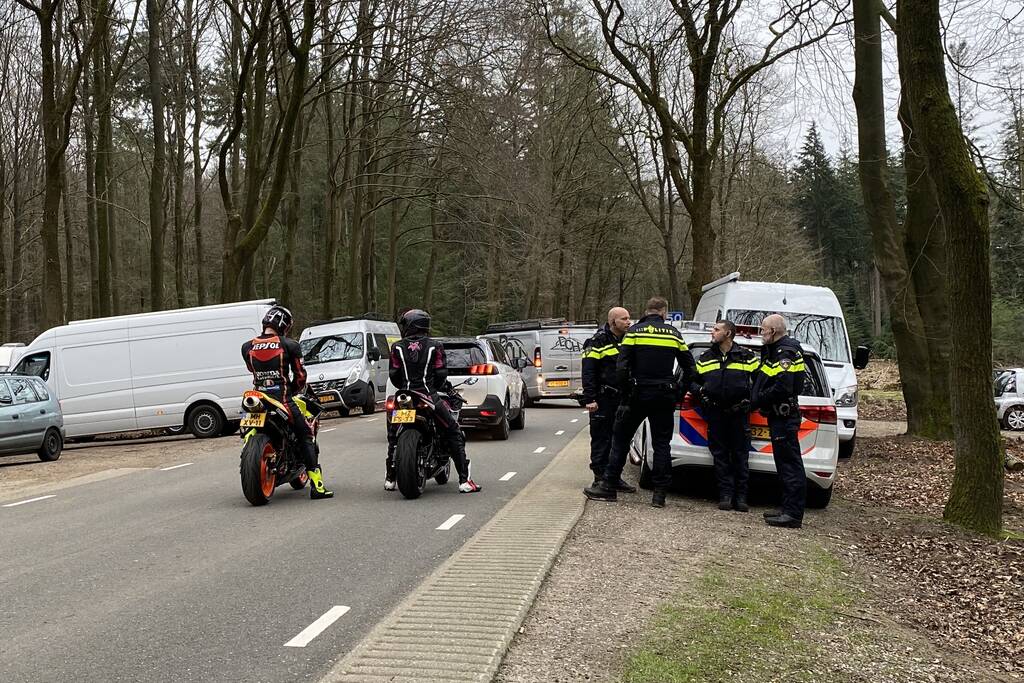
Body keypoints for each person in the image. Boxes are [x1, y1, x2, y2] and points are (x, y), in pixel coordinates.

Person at [584, 297, 695, 508]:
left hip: (637, 394)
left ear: (647, 311)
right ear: (664, 313)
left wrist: (626, 392)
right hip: (664, 395)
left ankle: (608, 487)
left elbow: (621, 366)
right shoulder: (674, 334)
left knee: (621, 439)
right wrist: (678, 392)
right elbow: (690, 369)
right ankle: (660, 494)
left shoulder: (634, 332)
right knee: (662, 444)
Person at [241, 305, 334, 499]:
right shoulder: (289, 345)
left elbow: (252, 370)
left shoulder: (247, 347)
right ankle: (317, 486)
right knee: (306, 435)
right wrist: (292, 388)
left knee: (247, 432)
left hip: (257, 398)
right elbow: (300, 376)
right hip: (281, 400)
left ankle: (249, 458)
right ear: (284, 325)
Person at [386, 309, 481, 493]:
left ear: (410, 325)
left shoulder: (396, 347)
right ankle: (464, 481)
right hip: (428, 396)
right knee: (453, 432)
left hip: (404, 396)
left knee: (393, 435)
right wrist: (434, 388)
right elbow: (440, 374)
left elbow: (394, 375)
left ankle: (390, 478)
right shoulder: (435, 346)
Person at [692, 320, 758, 512]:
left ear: (728, 333)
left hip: (739, 414)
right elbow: (692, 382)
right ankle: (725, 495)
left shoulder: (747, 357)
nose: (712, 332)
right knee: (720, 456)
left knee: (740, 455)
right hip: (715, 413)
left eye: (716, 329)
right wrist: (701, 392)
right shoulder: (705, 358)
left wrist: (750, 403)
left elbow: (760, 383)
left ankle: (741, 497)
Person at [752, 314, 806, 528]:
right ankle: (786, 508)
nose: (761, 332)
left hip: (784, 417)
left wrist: (759, 400)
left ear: (773, 331)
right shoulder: (774, 351)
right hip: (777, 416)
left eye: (763, 329)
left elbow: (783, 387)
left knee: (790, 465)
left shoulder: (786, 353)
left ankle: (793, 514)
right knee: (783, 465)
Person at [581, 307, 635, 491]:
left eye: (629, 318)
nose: (629, 322)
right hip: (603, 398)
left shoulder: (629, 340)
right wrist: (590, 398)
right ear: (613, 322)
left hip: (623, 398)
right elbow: (588, 372)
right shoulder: (596, 342)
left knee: (620, 440)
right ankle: (599, 477)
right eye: (624, 319)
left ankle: (614, 477)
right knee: (601, 439)